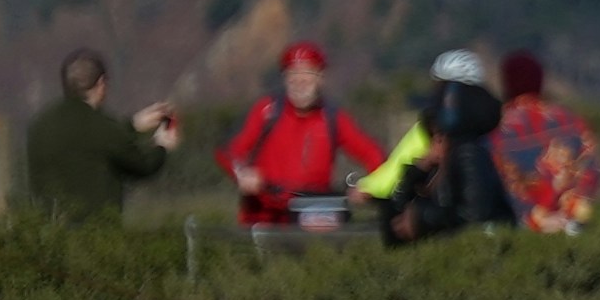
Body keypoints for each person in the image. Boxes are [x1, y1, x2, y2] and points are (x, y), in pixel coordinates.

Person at [218, 42, 379, 231]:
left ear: (321, 78)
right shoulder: (266, 111)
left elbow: (373, 155)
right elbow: (229, 151)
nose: (300, 80)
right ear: (284, 79)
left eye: (308, 73)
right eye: (293, 73)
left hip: (312, 215)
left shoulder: (334, 118)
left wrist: (370, 186)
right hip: (265, 219)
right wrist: (243, 174)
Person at [361, 50, 514, 243]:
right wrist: (419, 169)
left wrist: (423, 218)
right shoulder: (439, 152)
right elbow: (396, 214)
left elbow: (475, 218)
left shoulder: (469, 153)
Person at [21, 49, 182, 221]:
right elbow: (143, 165)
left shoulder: (39, 124)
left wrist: (133, 124)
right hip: (95, 235)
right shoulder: (101, 125)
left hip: (47, 233)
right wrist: (161, 144)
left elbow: (86, 141)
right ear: (101, 83)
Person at [492, 50, 600, 236]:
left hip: (519, 230)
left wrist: (532, 219)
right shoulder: (570, 120)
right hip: (569, 228)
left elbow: (493, 180)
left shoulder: (495, 127)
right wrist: (569, 214)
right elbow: (592, 170)